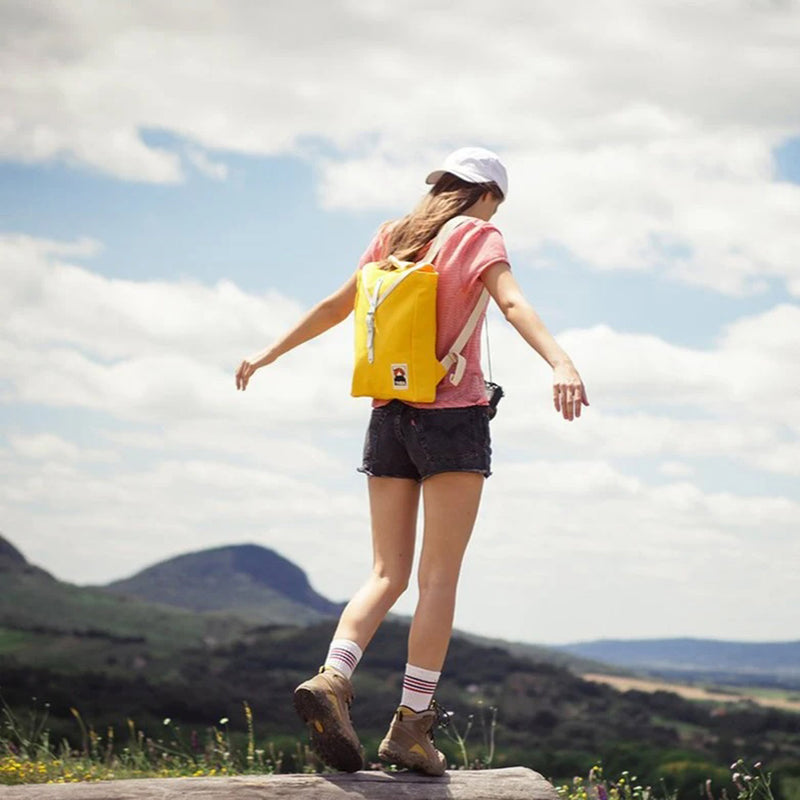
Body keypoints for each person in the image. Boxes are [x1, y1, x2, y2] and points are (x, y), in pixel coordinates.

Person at [235, 147, 589, 776]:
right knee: (438, 578)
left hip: (388, 416)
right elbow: (511, 303)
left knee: (385, 572)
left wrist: (267, 353)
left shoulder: (391, 235)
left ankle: (333, 677)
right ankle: (411, 726)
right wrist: (560, 362)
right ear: (488, 195)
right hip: (451, 418)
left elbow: (336, 306)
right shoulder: (478, 235)